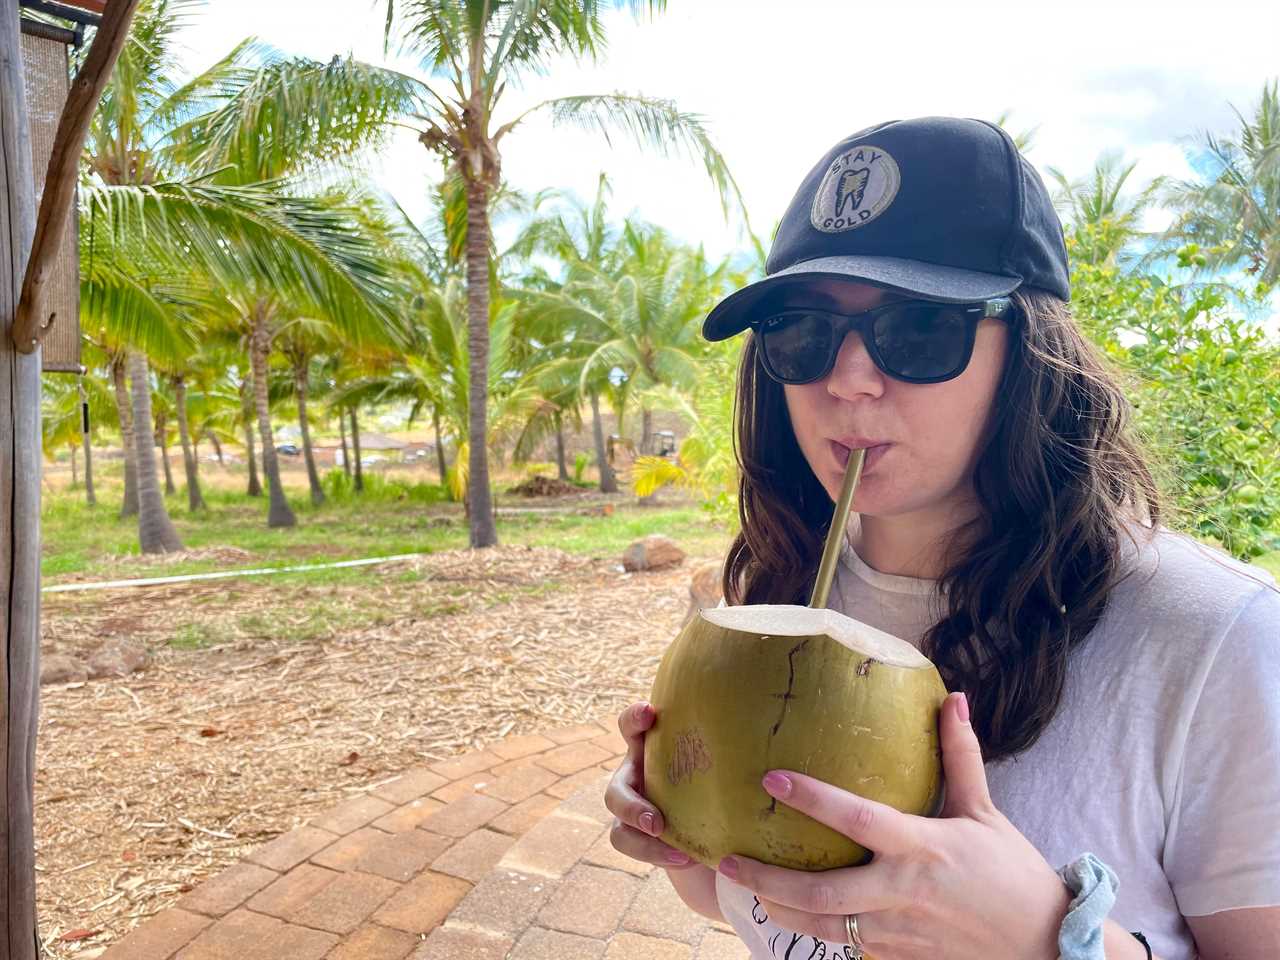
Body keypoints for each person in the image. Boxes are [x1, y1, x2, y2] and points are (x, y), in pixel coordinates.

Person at [603, 117, 1280, 960]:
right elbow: (739, 900)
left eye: (921, 328)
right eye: (802, 332)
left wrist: (1046, 940)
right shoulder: (778, 597)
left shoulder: (1215, 639)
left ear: (1030, 352)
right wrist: (681, 821)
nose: (847, 380)